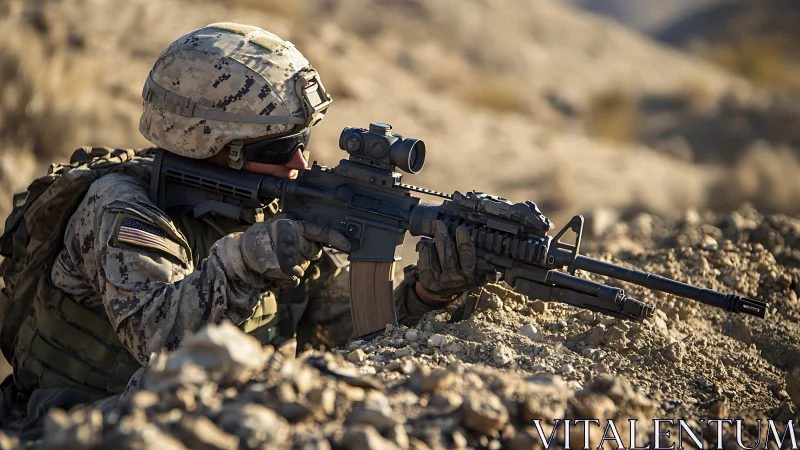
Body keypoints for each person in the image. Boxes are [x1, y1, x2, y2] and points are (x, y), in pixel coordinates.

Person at [0, 23, 492, 439]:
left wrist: (424, 294)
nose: (300, 163)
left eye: (302, 143)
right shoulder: (121, 208)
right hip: (78, 425)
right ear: (212, 146)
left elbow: (336, 324)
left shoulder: (268, 202)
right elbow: (164, 342)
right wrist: (249, 259)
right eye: (278, 151)